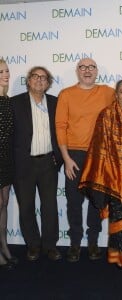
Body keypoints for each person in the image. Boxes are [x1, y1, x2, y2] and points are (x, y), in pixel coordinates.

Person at [79, 79, 122, 269]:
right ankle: (120, 257)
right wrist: (109, 172)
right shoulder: (107, 115)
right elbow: (100, 147)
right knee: (119, 215)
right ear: (116, 95)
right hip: (115, 176)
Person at [55, 58, 115, 262]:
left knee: (97, 202)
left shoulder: (107, 92)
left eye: (91, 67)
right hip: (74, 156)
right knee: (74, 202)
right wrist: (66, 158)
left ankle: (93, 241)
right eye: (83, 67)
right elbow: (60, 126)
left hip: (99, 156)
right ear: (77, 71)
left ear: (97, 71)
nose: (87, 70)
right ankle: (74, 243)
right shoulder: (66, 94)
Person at [11, 66, 63, 261]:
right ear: (28, 80)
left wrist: (58, 158)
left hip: (48, 163)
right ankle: (33, 245)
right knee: (26, 207)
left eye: (44, 78)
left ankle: (50, 246)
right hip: (24, 164)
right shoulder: (15, 103)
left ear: (48, 83)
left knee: (50, 206)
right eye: (35, 76)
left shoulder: (55, 103)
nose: (39, 80)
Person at [0, 59, 16, 270]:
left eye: (6, 70)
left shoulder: (7, 100)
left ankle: (3, 244)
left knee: (4, 203)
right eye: (1, 71)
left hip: (7, 159)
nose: (6, 74)